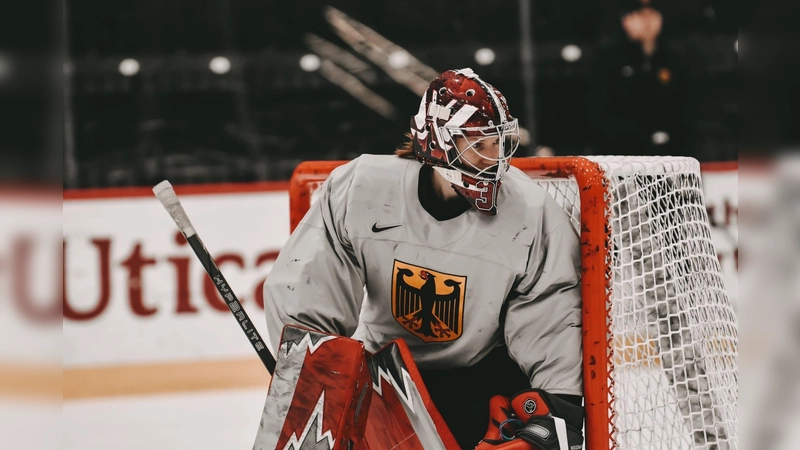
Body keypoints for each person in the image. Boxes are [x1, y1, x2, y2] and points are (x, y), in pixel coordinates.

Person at [263, 68, 583, 449]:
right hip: (384, 377)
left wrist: (557, 406)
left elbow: (551, 308)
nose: (496, 159)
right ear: (440, 142)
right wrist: (314, 374)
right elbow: (310, 285)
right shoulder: (361, 188)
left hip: (482, 379)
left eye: (499, 143)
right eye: (479, 145)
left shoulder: (530, 210)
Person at [586, 0, 690, 156]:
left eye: (652, 14)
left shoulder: (675, 61)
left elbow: (686, 110)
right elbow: (599, 114)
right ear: (625, 20)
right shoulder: (608, 60)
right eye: (640, 15)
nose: (647, 21)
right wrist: (642, 138)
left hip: (669, 157)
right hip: (621, 157)